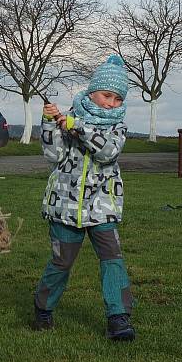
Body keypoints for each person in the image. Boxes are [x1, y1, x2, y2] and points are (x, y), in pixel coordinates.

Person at [32, 54, 136, 341]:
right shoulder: (66, 118)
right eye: (107, 95)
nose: (111, 103)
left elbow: (107, 153)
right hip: (63, 207)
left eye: (117, 98)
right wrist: (51, 123)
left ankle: (119, 318)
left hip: (102, 209)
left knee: (112, 259)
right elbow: (53, 156)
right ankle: (43, 307)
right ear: (93, 91)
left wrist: (76, 126)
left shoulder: (118, 127)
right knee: (61, 262)